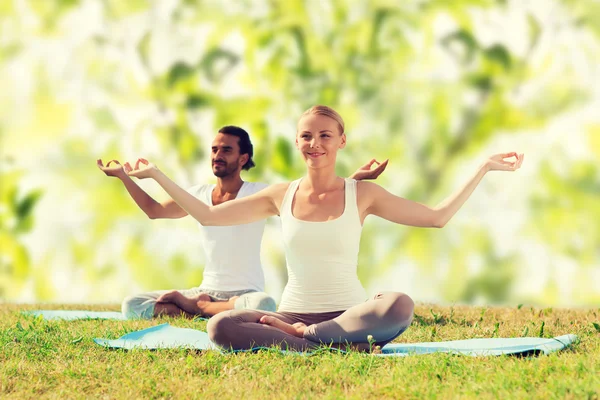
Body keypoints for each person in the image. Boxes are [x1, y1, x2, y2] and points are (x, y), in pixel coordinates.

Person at [125, 106, 524, 351]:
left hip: (348, 313)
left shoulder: (362, 194)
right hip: (291, 312)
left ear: (341, 142)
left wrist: (483, 168)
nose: (315, 143)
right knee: (220, 326)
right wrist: (158, 174)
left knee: (399, 303)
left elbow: (437, 217)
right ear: (298, 142)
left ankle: (310, 338)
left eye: (325, 135)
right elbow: (209, 216)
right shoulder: (280, 195)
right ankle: (329, 343)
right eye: (306, 136)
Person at [98, 125, 388, 319]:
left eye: (226, 150)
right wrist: (124, 176)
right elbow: (153, 210)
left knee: (264, 305)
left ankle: (199, 309)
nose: (217, 155)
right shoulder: (198, 195)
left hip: (244, 296)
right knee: (132, 306)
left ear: (243, 157)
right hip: (206, 290)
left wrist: (354, 182)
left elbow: (312, 197)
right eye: (214, 149)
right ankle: (203, 307)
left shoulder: (259, 193)